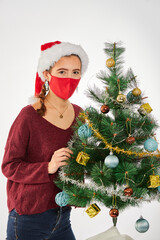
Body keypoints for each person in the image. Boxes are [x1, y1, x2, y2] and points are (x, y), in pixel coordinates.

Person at [1, 41, 89, 240]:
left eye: (75, 72)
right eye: (62, 72)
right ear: (47, 74)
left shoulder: (79, 114)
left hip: (63, 217)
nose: (70, 78)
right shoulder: (28, 116)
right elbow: (9, 166)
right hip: (28, 219)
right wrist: (48, 167)